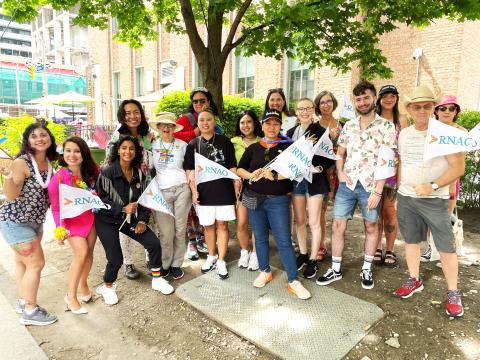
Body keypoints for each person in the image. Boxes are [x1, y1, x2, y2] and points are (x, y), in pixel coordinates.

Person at [316, 80, 397, 290]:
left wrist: (378, 191)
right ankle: (335, 269)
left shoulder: (386, 127)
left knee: (371, 225)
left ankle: (367, 268)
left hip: (371, 186)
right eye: (358, 99)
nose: (362, 102)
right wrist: (341, 174)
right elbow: (340, 153)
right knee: (337, 225)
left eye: (366, 98)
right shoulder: (349, 125)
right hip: (348, 184)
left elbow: (388, 162)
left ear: (374, 99)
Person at [394, 86, 465, 317]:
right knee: (412, 242)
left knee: (445, 246)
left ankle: (453, 292)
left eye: (427, 105)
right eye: (417, 106)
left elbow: (458, 168)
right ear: (409, 109)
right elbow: (403, 163)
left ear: (433, 107)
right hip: (406, 197)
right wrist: (399, 191)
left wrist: (432, 186)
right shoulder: (404, 134)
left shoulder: (446, 133)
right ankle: (414, 279)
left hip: (435, 199)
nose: (422, 110)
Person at [237, 109, 311, 300]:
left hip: (278, 201)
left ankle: (293, 280)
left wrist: (276, 175)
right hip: (254, 197)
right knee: (259, 237)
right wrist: (249, 175)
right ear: (262, 126)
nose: (272, 127)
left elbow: (299, 169)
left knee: (283, 240)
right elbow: (239, 168)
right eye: (268, 123)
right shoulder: (253, 148)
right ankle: (265, 271)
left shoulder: (289, 147)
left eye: (276, 124)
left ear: (280, 126)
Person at [95, 136, 174, 305]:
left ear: (136, 152)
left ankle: (157, 279)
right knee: (115, 258)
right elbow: (99, 202)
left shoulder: (140, 173)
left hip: (129, 219)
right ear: (118, 150)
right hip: (106, 220)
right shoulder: (107, 172)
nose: (127, 151)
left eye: (131, 148)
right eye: (124, 148)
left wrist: (142, 221)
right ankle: (108, 286)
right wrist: (121, 208)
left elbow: (146, 199)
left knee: (153, 243)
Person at [0, 122, 58, 325]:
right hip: (15, 222)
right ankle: (31, 311)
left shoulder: (51, 164)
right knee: (36, 263)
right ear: (28, 141)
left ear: (50, 139)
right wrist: (7, 176)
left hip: (36, 222)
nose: (40, 138)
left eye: (43, 135)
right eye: (34, 136)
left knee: (22, 263)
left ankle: (23, 301)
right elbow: (11, 195)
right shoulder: (21, 163)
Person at [184, 107, 240, 279]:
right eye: (202, 120)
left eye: (208, 119)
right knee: (208, 227)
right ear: (198, 123)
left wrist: (236, 186)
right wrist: (193, 191)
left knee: (223, 225)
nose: (205, 123)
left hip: (224, 192)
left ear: (214, 122)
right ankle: (211, 256)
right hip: (203, 194)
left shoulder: (225, 142)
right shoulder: (193, 144)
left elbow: (232, 167)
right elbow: (189, 171)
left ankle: (221, 260)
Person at [48, 136, 99, 314]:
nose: (72, 155)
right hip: (71, 224)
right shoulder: (59, 178)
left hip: (90, 219)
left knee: (89, 254)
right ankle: (71, 297)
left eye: (76, 151)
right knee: (81, 253)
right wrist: (59, 229)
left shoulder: (91, 173)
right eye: (68, 150)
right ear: (63, 153)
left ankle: (84, 285)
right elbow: (55, 209)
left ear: (83, 154)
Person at [106, 99, 155, 280]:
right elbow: (108, 164)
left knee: (149, 223)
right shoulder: (117, 137)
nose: (132, 116)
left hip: (148, 186)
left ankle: (151, 260)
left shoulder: (149, 136)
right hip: (125, 188)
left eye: (136, 112)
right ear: (122, 116)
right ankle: (128, 263)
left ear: (141, 114)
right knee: (126, 224)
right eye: (128, 113)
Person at [287, 98, 333, 279]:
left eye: (307, 108)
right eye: (300, 108)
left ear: (313, 110)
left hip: (315, 180)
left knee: (314, 222)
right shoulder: (290, 132)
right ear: (296, 111)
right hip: (297, 180)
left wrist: (319, 167)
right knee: (299, 220)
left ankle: (314, 259)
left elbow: (329, 156)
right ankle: (304, 254)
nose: (304, 111)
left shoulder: (321, 131)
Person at [174, 88, 220, 259]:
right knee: (191, 206)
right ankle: (192, 241)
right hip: (190, 168)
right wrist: (194, 133)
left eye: (203, 100)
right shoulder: (187, 119)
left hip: (210, 171)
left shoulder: (215, 119)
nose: (199, 104)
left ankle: (203, 238)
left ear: (209, 101)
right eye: (195, 101)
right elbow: (174, 133)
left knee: (206, 204)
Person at [421, 95, 465, 262]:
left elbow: (459, 164)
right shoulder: (428, 130)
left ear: (456, 111)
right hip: (430, 178)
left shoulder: (461, 132)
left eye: (452, 108)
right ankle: (431, 249)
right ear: (436, 111)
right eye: (443, 108)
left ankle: (444, 253)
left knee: (444, 219)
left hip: (451, 182)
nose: (447, 111)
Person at [149, 112, 191, 280]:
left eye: (170, 125)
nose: (166, 128)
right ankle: (165, 264)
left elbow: (189, 168)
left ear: (175, 128)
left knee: (180, 230)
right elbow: (148, 167)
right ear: (158, 128)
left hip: (182, 189)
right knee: (166, 233)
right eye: (162, 125)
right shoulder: (152, 145)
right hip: (162, 192)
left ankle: (176, 264)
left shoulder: (183, 145)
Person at [372, 85, 407, 267]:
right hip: (373, 174)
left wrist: (401, 180)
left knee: (390, 213)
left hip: (393, 174)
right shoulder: (373, 119)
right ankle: (377, 247)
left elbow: (403, 153)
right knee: (375, 214)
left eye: (393, 95)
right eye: (386, 95)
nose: (389, 99)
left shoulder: (401, 120)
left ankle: (391, 249)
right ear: (379, 98)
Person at [230, 110, 263, 271]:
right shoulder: (233, 141)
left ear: (255, 123)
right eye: (242, 122)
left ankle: (257, 254)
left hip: (258, 188)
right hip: (240, 187)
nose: (245, 125)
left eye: (249, 121)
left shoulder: (263, 141)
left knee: (257, 223)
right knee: (241, 223)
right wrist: (235, 178)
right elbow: (229, 163)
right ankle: (245, 251)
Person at [314, 90, 342, 261]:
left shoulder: (343, 125)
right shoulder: (314, 126)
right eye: (322, 102)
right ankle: (321, 245)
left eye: (329, 101)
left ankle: (338, 246)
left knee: (340, 211)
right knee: (321, 211)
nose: (326, 104)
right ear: (318, 106)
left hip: (339, 171)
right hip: (322, 173)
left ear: (333, 103)